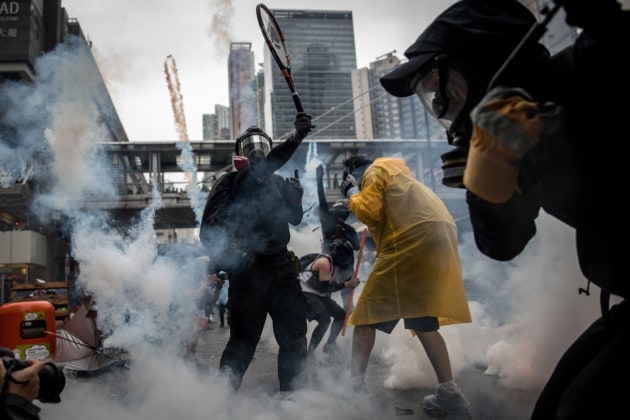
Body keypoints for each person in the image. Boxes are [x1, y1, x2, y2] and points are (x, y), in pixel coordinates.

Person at [379, 0, 630, 418]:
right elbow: (502, 245)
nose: (440, 104)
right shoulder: (501, 139)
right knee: (553, 403)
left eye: (444, 88)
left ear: (483, 68)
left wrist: (604, 20)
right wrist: (492, 171)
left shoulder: (590, 68)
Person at [340, 155, 472, 419]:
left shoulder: (375, 171)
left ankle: (353, 388)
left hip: (411, 240)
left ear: (354, 172)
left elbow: (368, 210)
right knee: (422, 320)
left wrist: (352, 192)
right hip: (439, 236)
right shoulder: (400, 176)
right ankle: (450, 393)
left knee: (365, 317)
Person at [200, 111, 314, 392]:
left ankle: (293, 398)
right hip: (247, 268)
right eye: (249, 146)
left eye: (261, 144)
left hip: (280, 266)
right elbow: (209, 228)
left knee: (294, 335)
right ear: (240, 154)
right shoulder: (230, 181)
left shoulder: (276, 183)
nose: (256, 149)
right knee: (242, 341)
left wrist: (296, 201)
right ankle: (220, 402)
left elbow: (294, 219)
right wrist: (297, 137)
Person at [299, 238, 360, 355]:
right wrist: (346, 284)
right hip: (306, 293)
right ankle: (309, 354)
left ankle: (330, 344)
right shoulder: (324, 263)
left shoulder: (335, 266)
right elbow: (325, 288)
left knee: (342, 315)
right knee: (324, 320)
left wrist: (349, 284)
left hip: (318, 294)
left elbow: (331, 287)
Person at [315, 163, 360, 312]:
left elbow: (356, 246)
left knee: (343, 300)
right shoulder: (331, 224)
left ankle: (345, 324)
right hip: (330, 267)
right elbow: (357, 246)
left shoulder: (345, 228)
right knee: (335, 298)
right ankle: (341, 322)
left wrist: (319, 179)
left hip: (342, 268)